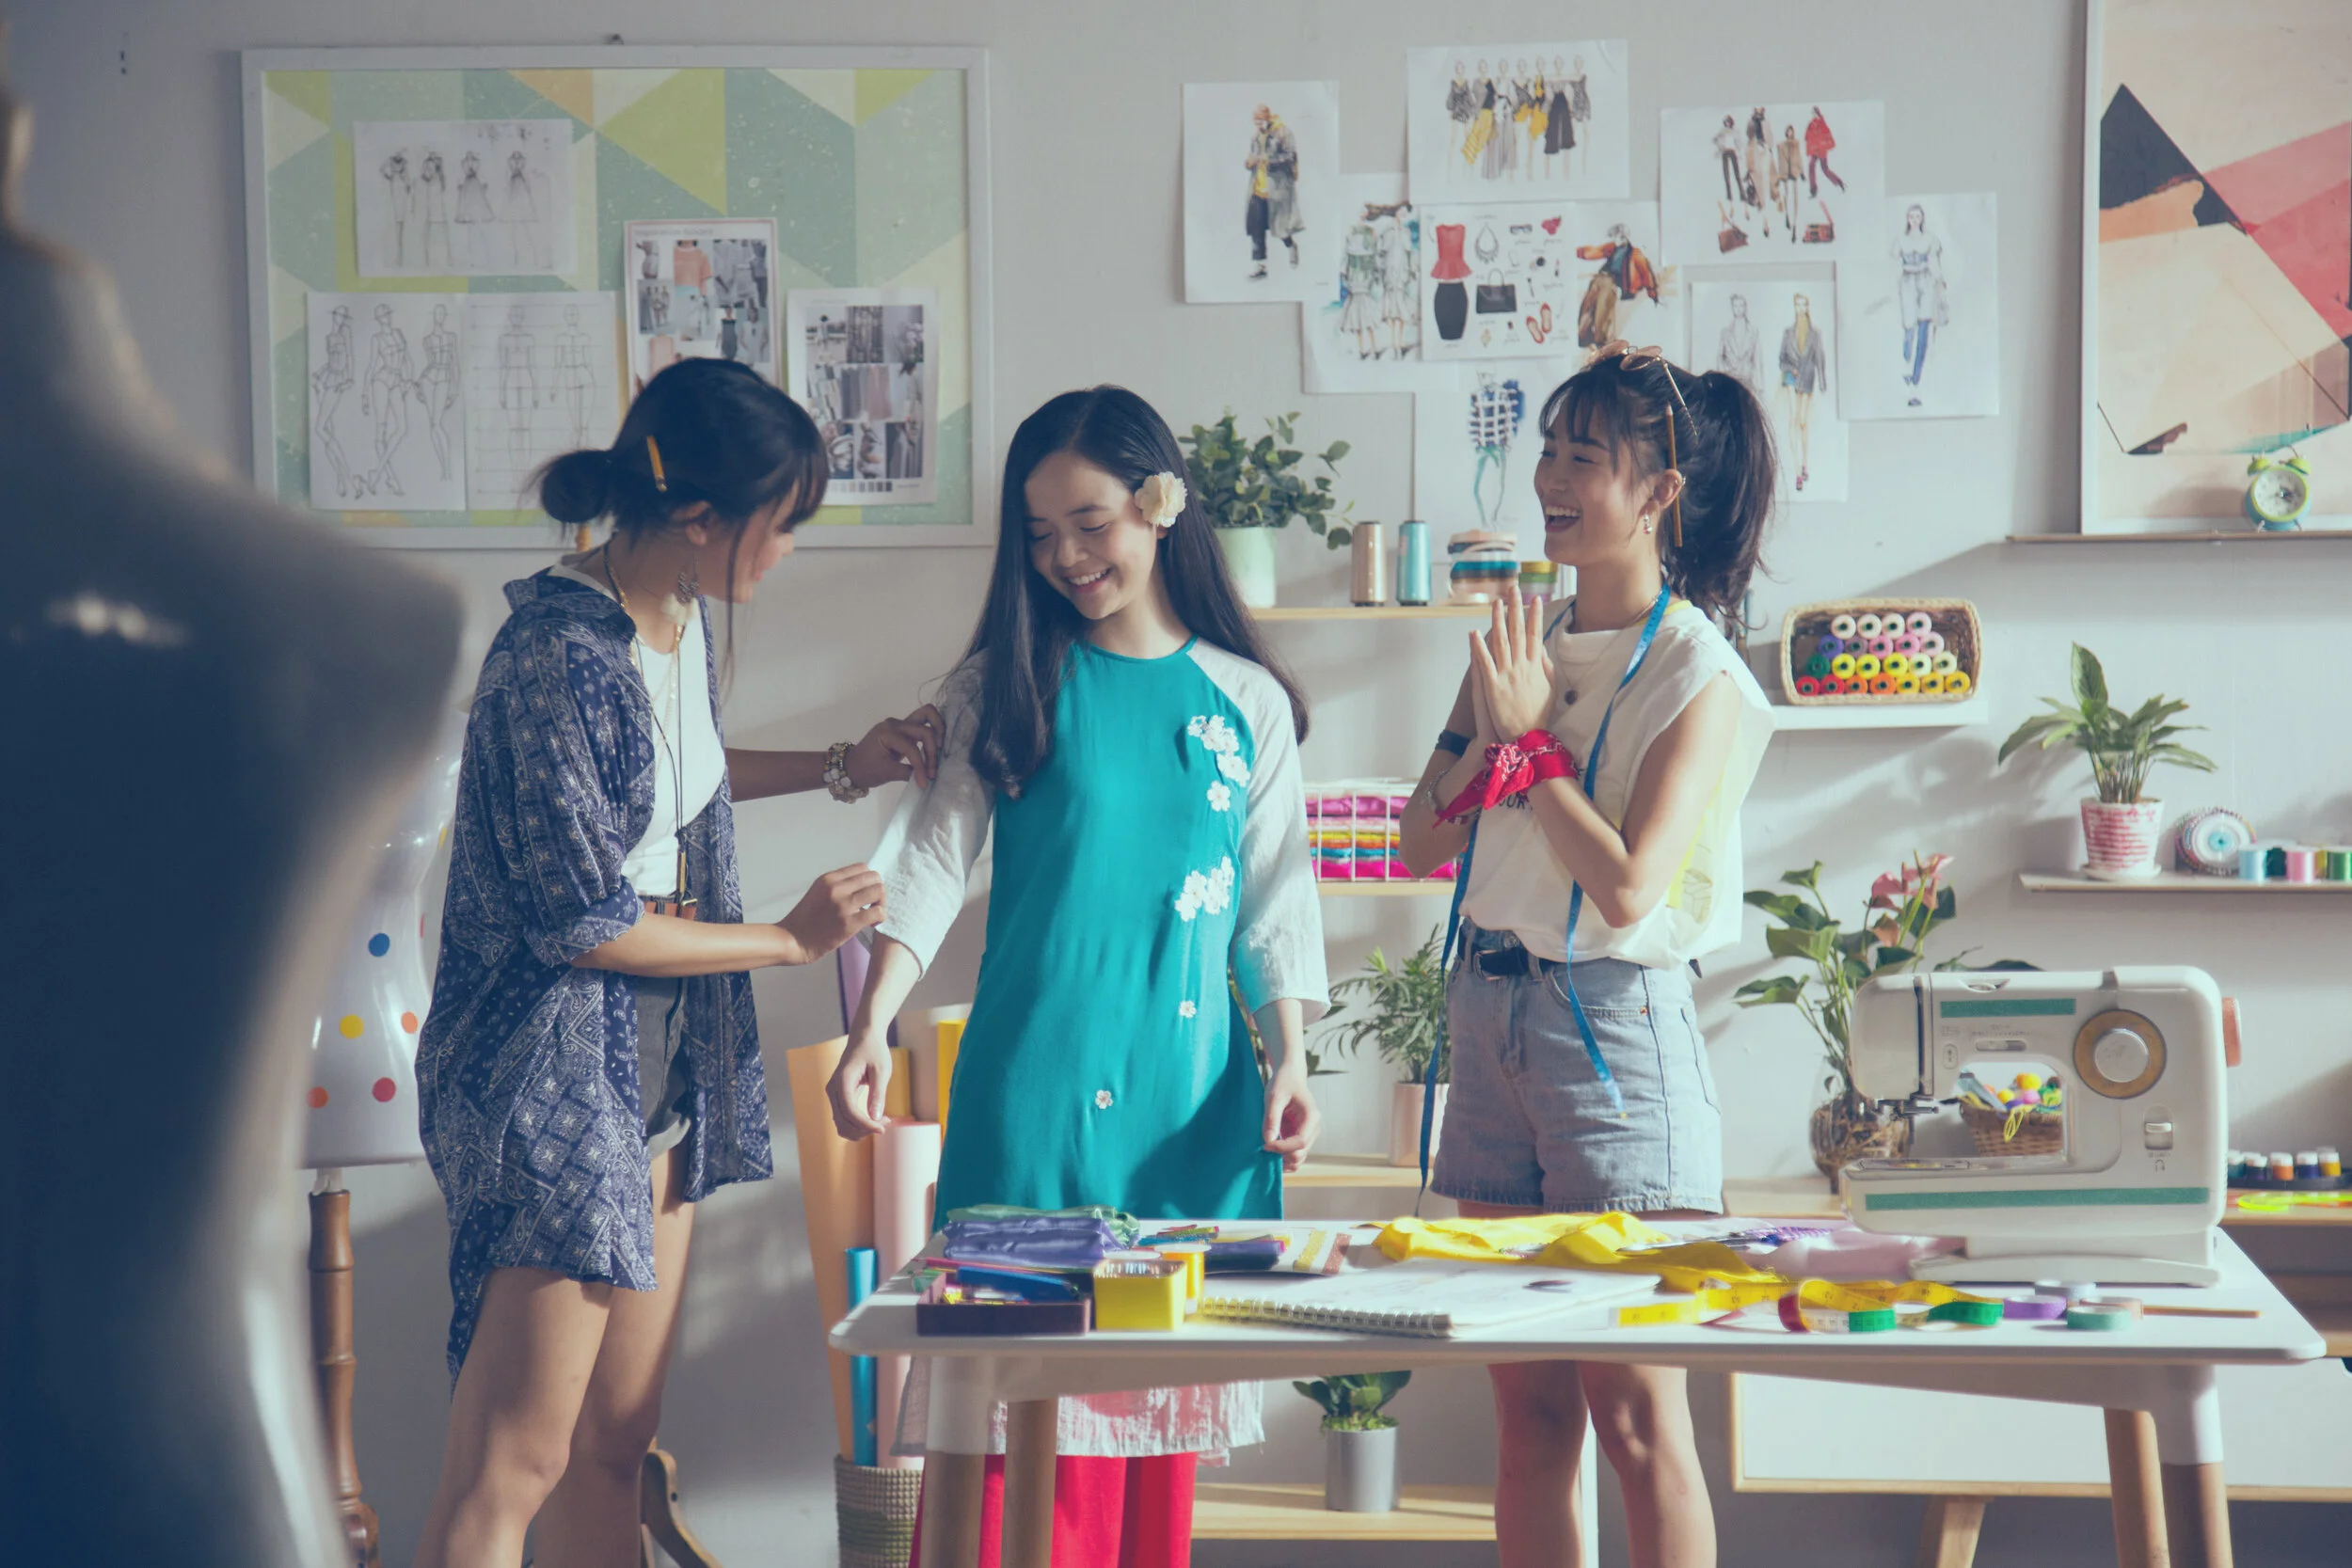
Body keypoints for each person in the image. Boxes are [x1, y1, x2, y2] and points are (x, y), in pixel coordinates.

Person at [411, 358, 946, 1568]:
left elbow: (669, 777)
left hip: (659, 1044)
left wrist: (841, 763)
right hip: (547, 1064)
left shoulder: (673, 611)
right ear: (702, 516)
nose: (790, 548)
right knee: (514, 1461)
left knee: (613, 1439)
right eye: (784, 521)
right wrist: (789, 939)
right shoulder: (552, 655)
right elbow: (584, 920)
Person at [829, 385, 1327, 1567]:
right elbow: (927, 864)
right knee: (1004, 1454)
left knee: (1147, 1460)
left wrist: (1292, 1055)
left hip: (1186, 1104)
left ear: (1159, 506)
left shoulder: (1246, 701)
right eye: (1040, 533)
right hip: (1033, 1101)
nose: (1064, 556)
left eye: (1090, 523)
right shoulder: (1000, 686)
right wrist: (871, 1026)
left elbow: (1274, 899)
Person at [1399, 341, 1777, 1568]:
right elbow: (1417, 837)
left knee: (1636, 1411)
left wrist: (1526, 743)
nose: (1551, 479)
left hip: (1616, 1032)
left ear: (1659, 490)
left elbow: (1626, 884)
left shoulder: (1699, 670)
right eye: (1549, 450)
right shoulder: (1522, 637)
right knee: (1529, 1414)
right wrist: (1495, 736)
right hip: (1488, 1017)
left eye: (1584, 457)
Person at [1243, 103, 1301, 279]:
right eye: (1256, 122)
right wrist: (1249, 163)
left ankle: (1291, 246)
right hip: (1257, 189)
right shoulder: (1256, 136)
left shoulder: (1283, 132)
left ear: (1268, 119)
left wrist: (1268, 159)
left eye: (1260, 122)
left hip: (1277, 190)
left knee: (1281, 228)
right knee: (1256, 229)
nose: (1258, 126)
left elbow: (1291, 156)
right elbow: (1252, 157)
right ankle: (1260, 265)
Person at [1895, 204, 1946, 404]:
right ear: (1907, 219)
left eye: (1918, 217)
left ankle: (1916, 380)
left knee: (1924, 328)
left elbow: (1935, 262)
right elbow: (1893, 264)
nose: (1915, 220)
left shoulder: (1930, 239)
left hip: (1926, 282)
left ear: (1922, 218)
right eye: (1911, 217)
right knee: (1909, 328)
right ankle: (1907, 368)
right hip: (1908, 282)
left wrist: (1940, 281)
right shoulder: (1901, 240)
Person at [1779, 293, 1827, 491]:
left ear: (1807, 307)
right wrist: (1791, 369)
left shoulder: (1815, 334)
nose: (1800, 308)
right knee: (1794, 420)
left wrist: (1823, 381)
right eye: (1797, 305)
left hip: (1807, 378)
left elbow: (1820, 358)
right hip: (1791, 377)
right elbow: (1781, 359)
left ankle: (1805, 462)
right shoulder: (1788, 333)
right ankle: (1798, 471)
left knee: (1803, 422)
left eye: (1803, 305)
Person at [1804, 106, 1847, 197]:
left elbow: (1827, 133)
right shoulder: (1811, 124)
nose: (1813, 115)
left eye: (1814, 113)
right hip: (1814, 150)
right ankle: (1813, 190)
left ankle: (1839, 182)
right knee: (1811, 166)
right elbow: (1807, 137)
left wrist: (1826, 145)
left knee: (1825, 169)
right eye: (1812, 113)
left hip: (1821, 150)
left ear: (1818, 113)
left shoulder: (1822, 122)